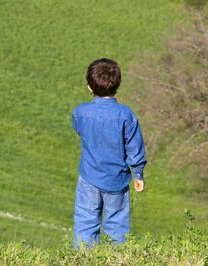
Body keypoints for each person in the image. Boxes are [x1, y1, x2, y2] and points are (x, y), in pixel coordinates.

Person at [72, 58, 147, 249]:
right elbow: (134, 147)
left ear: (90, 87)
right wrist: (138, 174)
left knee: (86, 222)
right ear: (117, 85)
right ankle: (117, 259)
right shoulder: (126, 115)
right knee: (117, 225)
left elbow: (79, 129)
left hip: (89, 177)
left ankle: (83, 260)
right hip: (117, 180)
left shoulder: (80, 112)